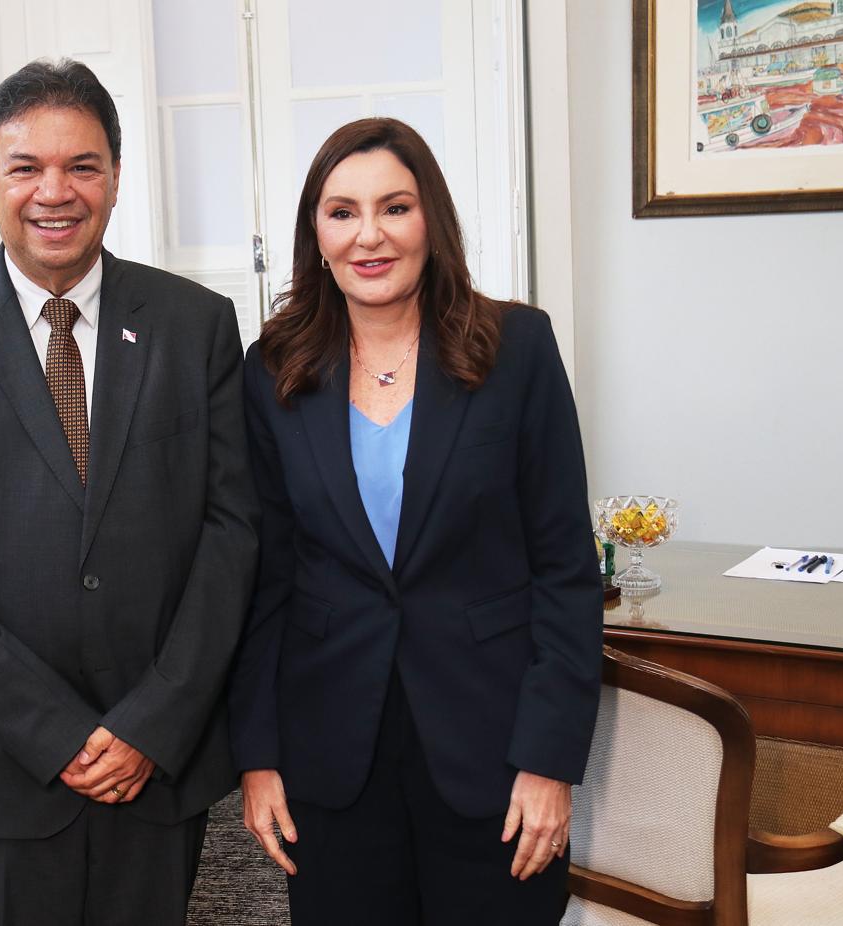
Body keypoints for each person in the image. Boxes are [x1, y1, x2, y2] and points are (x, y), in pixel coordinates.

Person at [0, 58, 258, 926]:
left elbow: (233, 533)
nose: (55, 192)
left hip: (155, 751)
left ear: (115, 177)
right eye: (26, 167)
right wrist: (51, 730)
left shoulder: (196, 325)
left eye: (82, 165)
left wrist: (153, 721)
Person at [228, 117, 602, 925]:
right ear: (316, 234)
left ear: (431, 218)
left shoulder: (517, 348)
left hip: (494, 754)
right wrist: (257, 757)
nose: (370, 235)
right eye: (342, 212)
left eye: (394, 207)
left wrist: (550, 761)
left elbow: (567, 572)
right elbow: (264, 579)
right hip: (330, 755)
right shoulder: (274, 369)